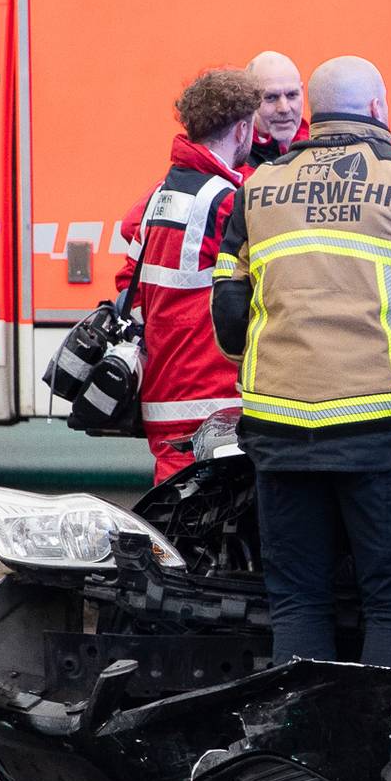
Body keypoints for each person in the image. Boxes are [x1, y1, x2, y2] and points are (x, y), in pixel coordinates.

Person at [210, 55, 391, 675]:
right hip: (379, 433)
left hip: (279, 434)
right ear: (380, 111)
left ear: (313, 109)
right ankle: (387, 753)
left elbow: (228, 315)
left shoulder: (258, 187)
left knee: (298, 602)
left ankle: (306, 753)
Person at [111, 68, 256, 481]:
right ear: (243, 129)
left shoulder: (161, 195)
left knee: (179, 509)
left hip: (165, 389)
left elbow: (129, 286)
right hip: (210, 392)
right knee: (201, 522)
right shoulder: (227, 201)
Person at [245, 51, 308, 168]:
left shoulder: (320, 149)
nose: (284, 108)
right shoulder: (234, 161)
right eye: (271, 97)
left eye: (292, 95)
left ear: (302, 92)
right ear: (248, 100)